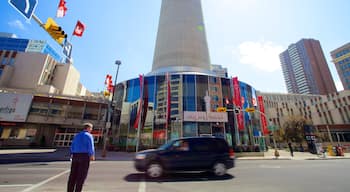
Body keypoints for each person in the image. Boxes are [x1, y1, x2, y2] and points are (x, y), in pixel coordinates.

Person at [67, 122, 95, 192]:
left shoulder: (77, 135)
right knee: (81, 176)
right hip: (84, 156)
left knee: (73, 175)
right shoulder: (89, 135)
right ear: (88, 128)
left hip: (75, 155)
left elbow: (72, 145)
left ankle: (69, 190)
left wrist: (71, 153)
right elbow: (91, 146)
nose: (91, 130)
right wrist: (92, 155)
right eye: (91, 128)